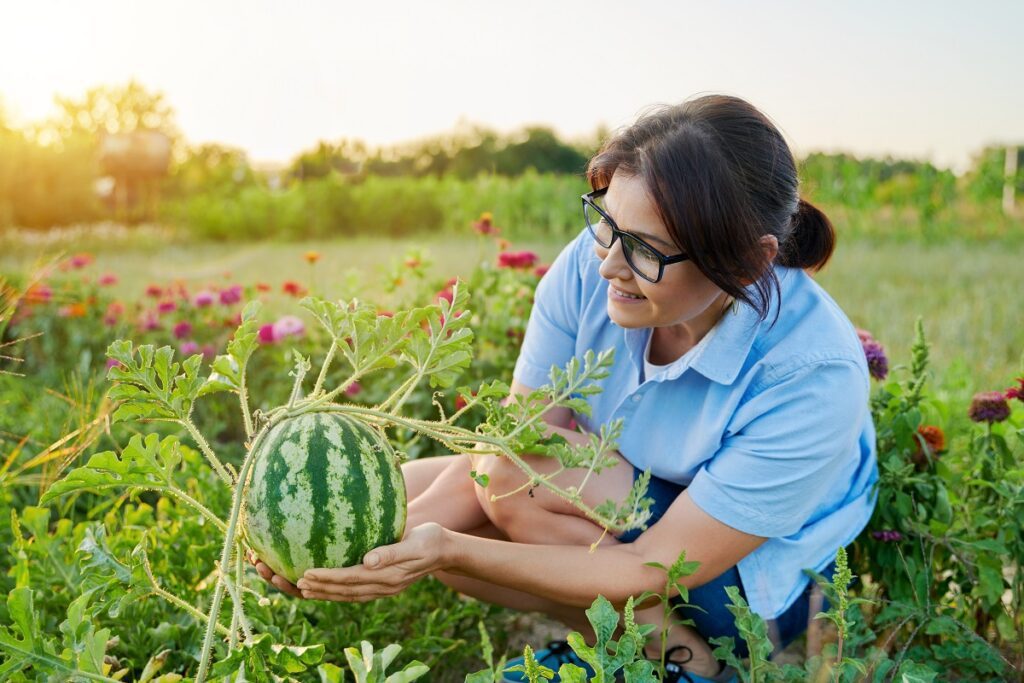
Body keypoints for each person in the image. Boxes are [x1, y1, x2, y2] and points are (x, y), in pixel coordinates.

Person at [251, 94, 879, 682]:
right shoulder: (596, 263)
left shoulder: (812, 373)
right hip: (639, 496)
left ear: (749, 260)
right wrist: (356, 555)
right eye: (605, 225)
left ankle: (688, 666)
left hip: (747, 584)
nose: (606, 263)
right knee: (412, 492)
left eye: (644, 250)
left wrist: (443, 551)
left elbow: (649, 565)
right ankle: (621, 647)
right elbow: (516, 438)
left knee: (497, 501)